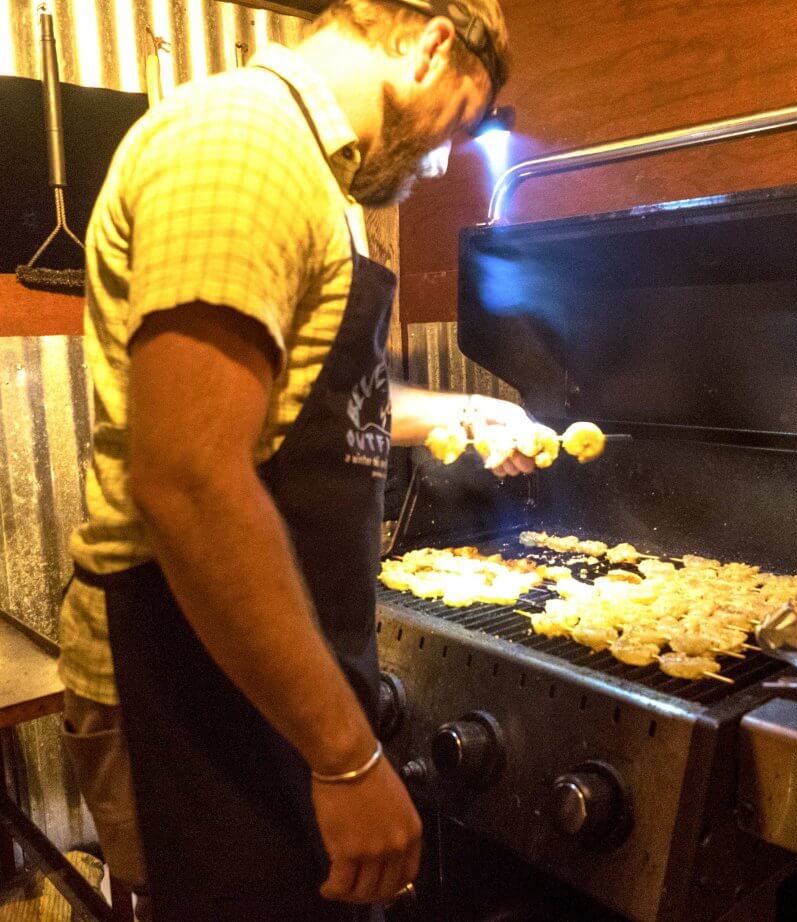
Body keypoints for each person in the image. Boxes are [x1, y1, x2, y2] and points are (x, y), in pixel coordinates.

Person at [57, 1, 524, 918]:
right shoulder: (247, 147)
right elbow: (190, 479)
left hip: (256, 675)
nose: (439, 163)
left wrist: (460, 411)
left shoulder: (316, 177)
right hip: (187, 685)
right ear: (429, 45)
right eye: (459, 126)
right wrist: (346, 757)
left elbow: (309, 406)